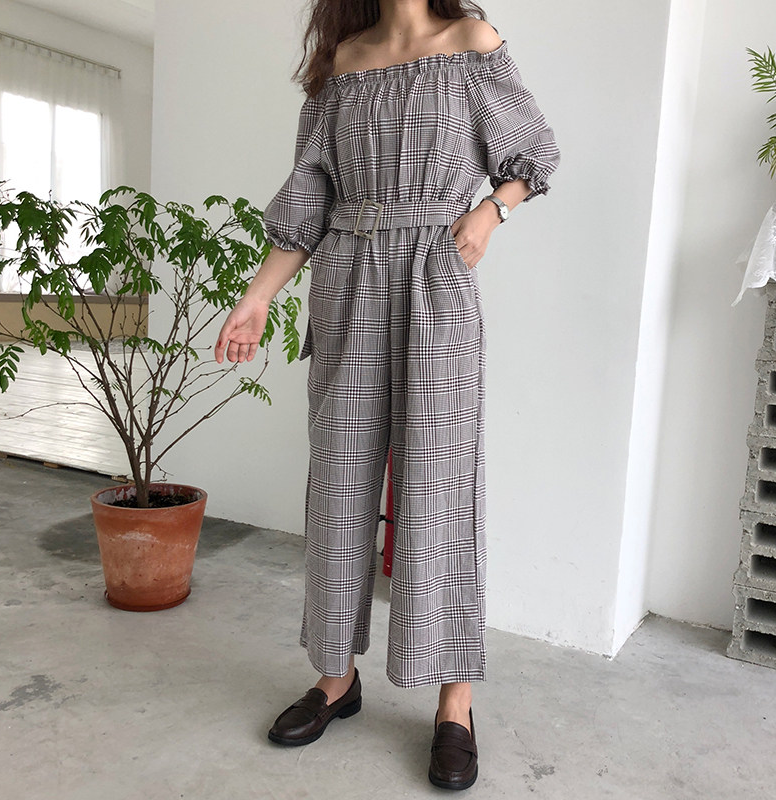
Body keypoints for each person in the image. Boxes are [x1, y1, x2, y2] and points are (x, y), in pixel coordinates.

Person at [214, 0, 560, 790]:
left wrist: (492, 211)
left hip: (436, 275)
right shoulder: (343, 61)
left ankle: (454, 700)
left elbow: (534, 150)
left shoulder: (472, 42)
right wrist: (258, 296)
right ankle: (336, 677)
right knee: (339, 485)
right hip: (346, 278)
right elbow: (307, 197)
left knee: (439, 484)